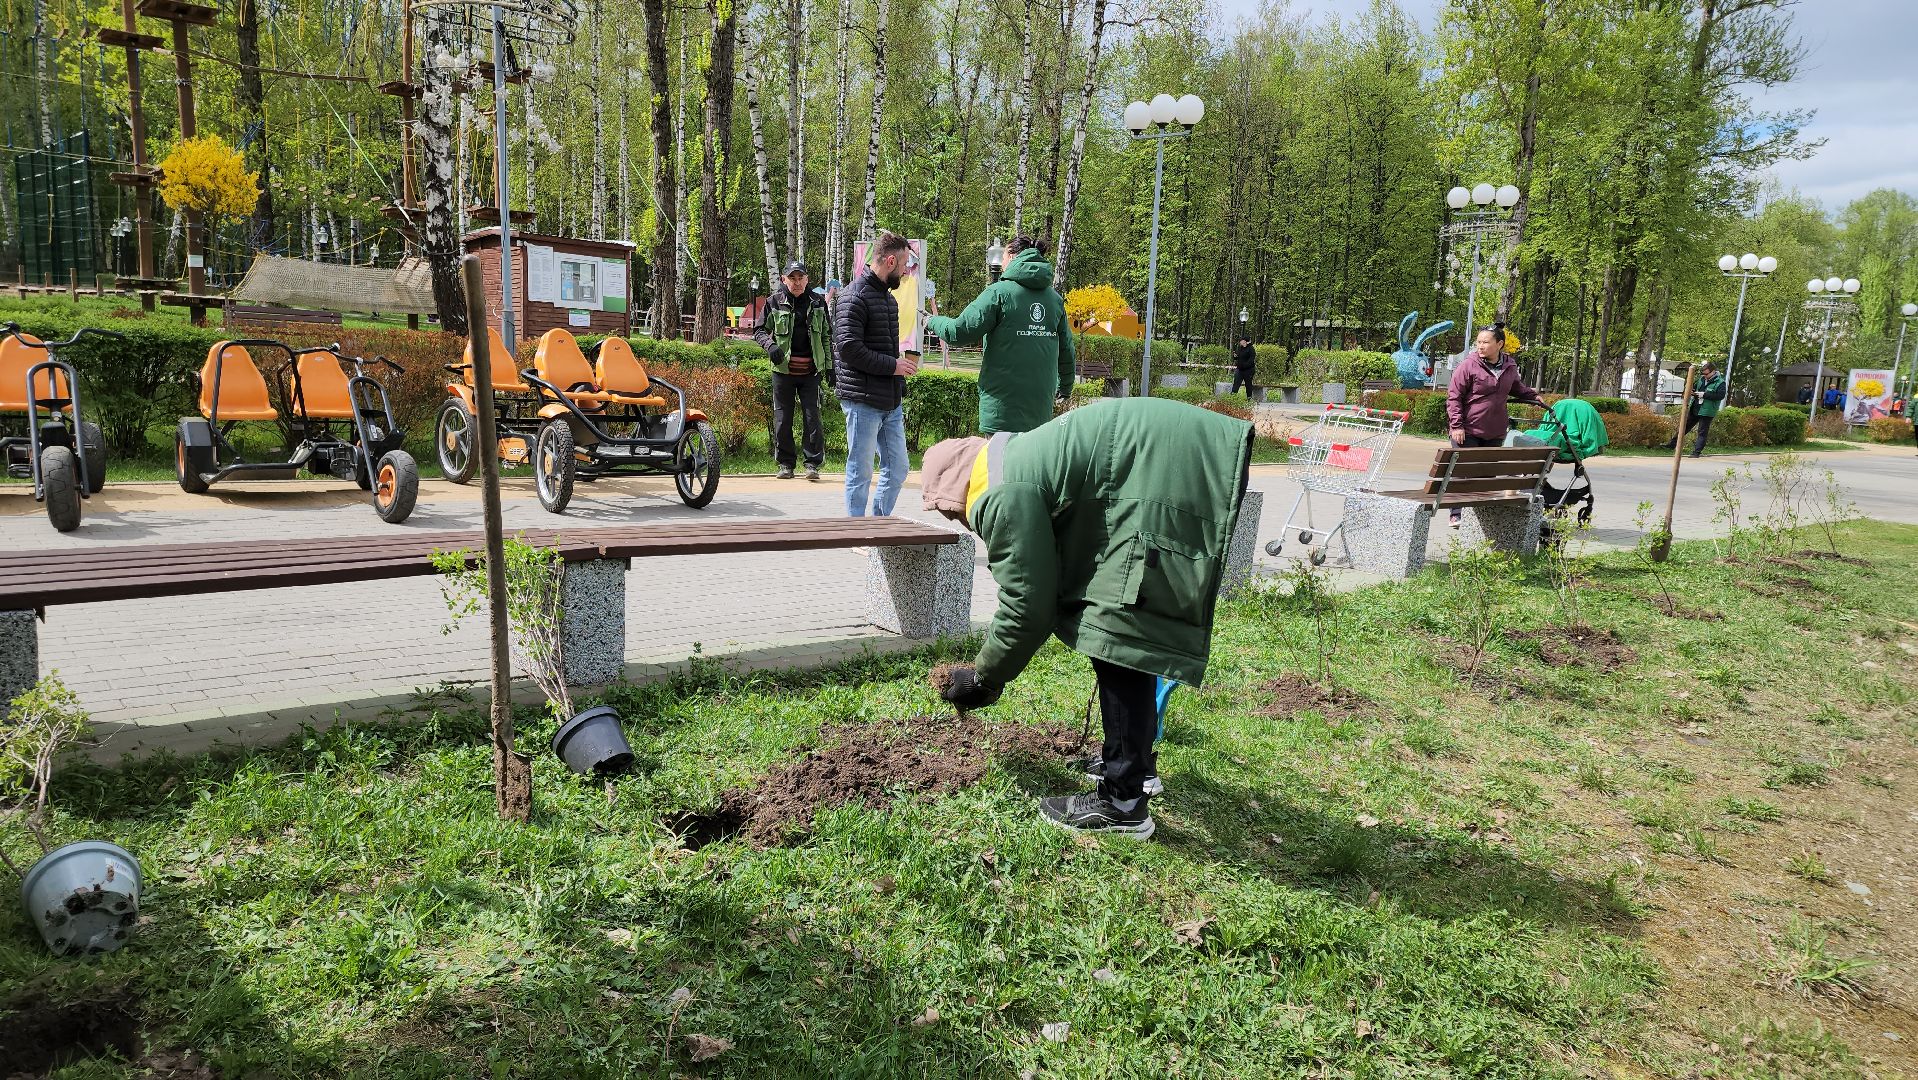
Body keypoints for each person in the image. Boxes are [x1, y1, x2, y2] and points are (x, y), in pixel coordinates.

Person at [921, 397, 1255, 838]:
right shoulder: (1017, 459)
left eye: (951, 512)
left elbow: (1028, 605)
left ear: (954, 495)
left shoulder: (999, 494)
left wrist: (984, 678)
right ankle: (1133, 766)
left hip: (1171, 468)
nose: (961, 520)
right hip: (1181, 456)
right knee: (1117, 622)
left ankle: (1123, 801)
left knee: (1119, 632)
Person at [924, 236, 1074, 434]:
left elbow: (959, 332)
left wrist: (930, 321)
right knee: (1031, 465)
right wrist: (1065, 388)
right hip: (1040, 410)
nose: (1001, 263)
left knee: (998, 464)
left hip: (1002, 411)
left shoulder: (998, 293)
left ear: (1011, 257)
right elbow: (1066, 350)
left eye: (1003, 256)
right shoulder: (1055, 300)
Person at [834, 231, 919, 517]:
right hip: (861, 400)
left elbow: (879, 350)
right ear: (891, 260)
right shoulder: (853, 296)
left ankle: (877, 527)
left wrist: (898, 368)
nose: (907, 270)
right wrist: (893, 366)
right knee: (860, 472)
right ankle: (857, 534)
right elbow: (848, 348)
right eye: (905, 263)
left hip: (889, 399)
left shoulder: (889, 300)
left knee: (898, 468)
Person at [1445, 322, 1544, 525]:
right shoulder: (1468, 365)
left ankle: (1480, 521)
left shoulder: (1509, 366)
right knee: (1464, 473)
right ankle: (1455, 512)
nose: (1480, 346)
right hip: (1468, 429)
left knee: (1486, 476)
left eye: (1485, 342)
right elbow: (1454, 396)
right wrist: (1456, 425)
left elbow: (1516, 387)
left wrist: (1533, 397)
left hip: (1495, 431)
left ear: (1499, 344)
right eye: (1478, 342)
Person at [752, 261, 831, 481]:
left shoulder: (818, 302)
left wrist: (830, 367)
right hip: (783, 371)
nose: (797, 283)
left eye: (801, 278)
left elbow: (826, 335)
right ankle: (786, 464)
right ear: (784, 280)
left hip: (811, 371)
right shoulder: (774, 302)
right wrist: (770, 346)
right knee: (783, 419)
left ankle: (812, 464)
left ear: (807, 279)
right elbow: (759, 330)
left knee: (812, 417)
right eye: (792, 278)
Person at [1664, 361, 1725, 457]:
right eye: (1703, 373)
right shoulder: (1701, 379)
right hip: (1696, 407)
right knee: (1684, 427)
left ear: (1713, 372)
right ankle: (1672, 445)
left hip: (1707, 411)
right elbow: (1695, 387)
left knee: (1702, 431)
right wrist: (1692, 391)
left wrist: (1705, 395)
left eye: (1706, 374)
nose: (1704, 376)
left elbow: (1720, 396)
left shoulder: (1720, 383)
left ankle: (1696, 452)